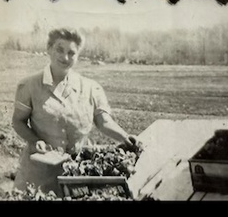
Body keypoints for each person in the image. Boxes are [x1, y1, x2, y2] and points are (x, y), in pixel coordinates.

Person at [12, 28, 139, 196]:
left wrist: (124, 137)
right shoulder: (28, 86)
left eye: (71, 53)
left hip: (76, 173)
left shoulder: (91, 88)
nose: (65, 57)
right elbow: (18, 121)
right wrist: (35, 141)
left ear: (78, 55)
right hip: (38, 174)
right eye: (59, 49)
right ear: (49, 49)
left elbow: (104, 121)